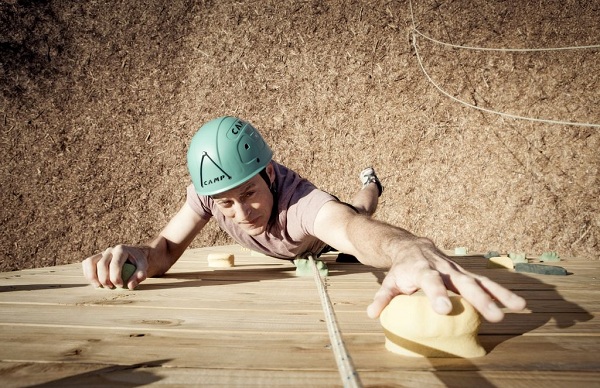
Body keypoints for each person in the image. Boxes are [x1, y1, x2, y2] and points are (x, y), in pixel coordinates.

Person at [82, 116, 526, 322]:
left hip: (320, 240)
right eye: (225, 204)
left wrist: (407, 249)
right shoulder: (208, 194)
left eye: (249, 194)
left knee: (360, 209)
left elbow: (352, 231)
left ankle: (371, 181)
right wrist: (137, 255)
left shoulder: (303, 205)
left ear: (270, 174)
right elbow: (164, 251)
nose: (241, 212)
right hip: (294, 243)